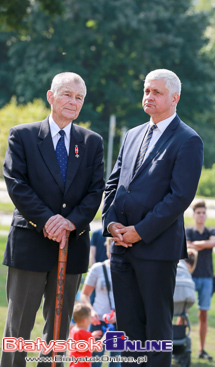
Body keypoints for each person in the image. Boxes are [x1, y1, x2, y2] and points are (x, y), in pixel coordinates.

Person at [1, 72, 104, 367]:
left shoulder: (91, 142)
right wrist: (48, 221)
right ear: (51, 96)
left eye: (79, 97)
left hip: (71, 246)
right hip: (30, 244)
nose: (73, 102)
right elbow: (17, 184)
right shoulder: (23, 135)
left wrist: (70, 223)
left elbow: (96, 190)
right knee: (18, 327)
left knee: (58, 330)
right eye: (67, 95)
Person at [102, 69, 203, 366]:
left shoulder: (188, 140)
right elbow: (114, 183)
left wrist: (140, 231)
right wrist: (111, 225)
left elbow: (179, 197)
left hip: (156, 250)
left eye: (156, 92)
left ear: (175, 98)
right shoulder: (132, 134)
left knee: (156, 331)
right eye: (146, 91)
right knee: (128, 329)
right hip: (121, 248)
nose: (148, 96)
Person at [185, 200, 215, 361]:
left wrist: (195, 245)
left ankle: (202, 349)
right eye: (198, 212)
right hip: (189, 277)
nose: (201, 215)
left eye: (203, 212)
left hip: (207, 277)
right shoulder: (188, 231)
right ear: (193, 215)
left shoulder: (211, 230)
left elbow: (213, 242)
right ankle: (180, 346)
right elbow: (186, 246)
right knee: (182, 312)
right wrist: (203, 244)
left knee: (203, 314)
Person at [80, 239, 121, 367]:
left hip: (116, 322)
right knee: (95, 360)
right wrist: (91, 311)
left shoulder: (127, 270)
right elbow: (84, 294)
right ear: (108, 250)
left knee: (116, 361)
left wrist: (119, 315)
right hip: (98, 321)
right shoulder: (98, 269)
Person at [69, 303, 102, 367]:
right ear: (84, 321)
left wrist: (91, 336)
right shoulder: (87, 335)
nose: (91, 319)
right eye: (90, 317)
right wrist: (105, 338)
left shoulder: (73, 330)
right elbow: (96, 348)